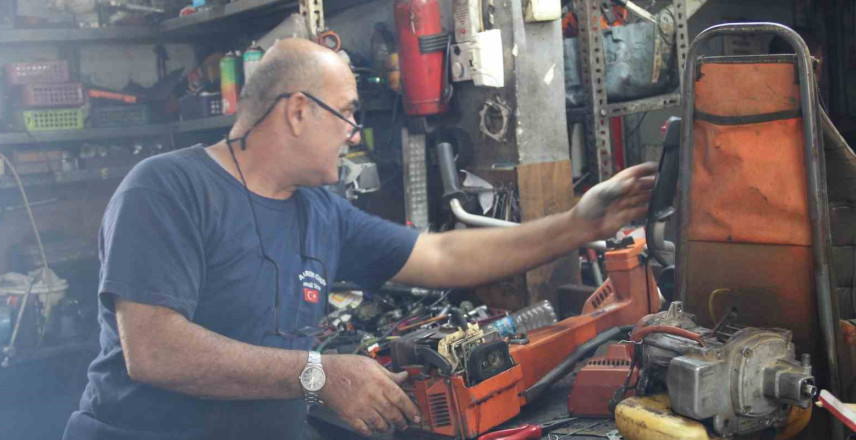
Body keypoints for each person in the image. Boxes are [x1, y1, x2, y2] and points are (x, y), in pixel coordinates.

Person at [63, 38, 657, 440]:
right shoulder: (169, 188)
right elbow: (155, 349)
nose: (353, 133)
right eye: (347, 113)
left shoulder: (320, 210)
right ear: (297, 111)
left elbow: (443, 253)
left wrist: (580, 224)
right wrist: (320, 373)